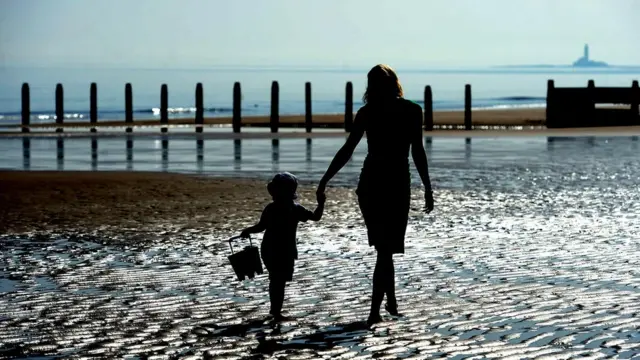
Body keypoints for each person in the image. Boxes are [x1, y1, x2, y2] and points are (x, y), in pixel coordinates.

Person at [316, 64, 434, 325]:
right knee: (385, 249)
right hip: (392, 183)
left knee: (385, 249)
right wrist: (426, 186)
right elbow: (417, 151)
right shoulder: (411, 110)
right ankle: (375, 312)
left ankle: (389, 303)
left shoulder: (368, 112)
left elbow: (348, 149)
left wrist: (325, 180)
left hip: (373, 182)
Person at [240, 172, 325, 321]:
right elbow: (316, 217)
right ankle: (276, 312)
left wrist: (248, 230)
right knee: (279, 281)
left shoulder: (271, 208)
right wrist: (321, 203)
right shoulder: (295, 209)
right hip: (285, 250)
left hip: (269, 249)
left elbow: (261, 227)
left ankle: (275, 311)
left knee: (276, 281)